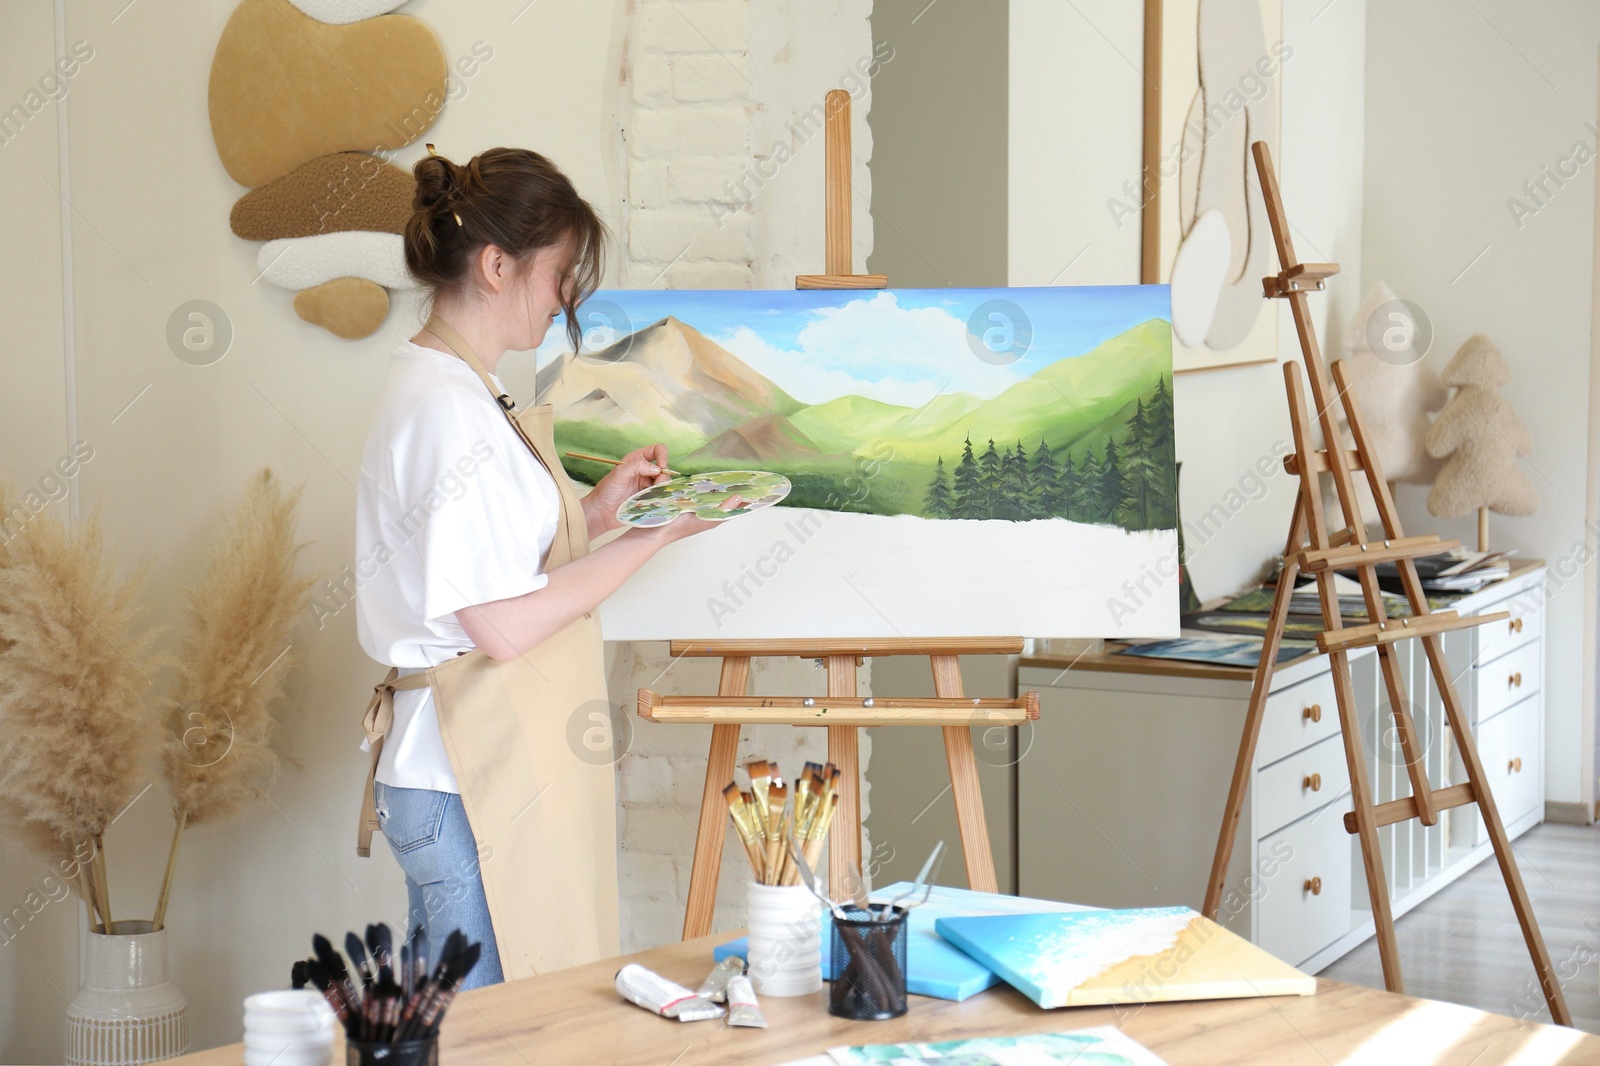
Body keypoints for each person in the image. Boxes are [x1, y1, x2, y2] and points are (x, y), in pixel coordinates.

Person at [352, 146, 732, 987]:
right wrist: (652, 540)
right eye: (559, 273)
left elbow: (488, 570)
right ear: (497, 266)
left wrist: (601, 515)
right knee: (497, 1037)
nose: (566, 301)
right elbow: (499, 620)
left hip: (454, 772)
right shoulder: (449, 409)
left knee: (462, 1031)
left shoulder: (455, 389)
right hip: (465, 777)